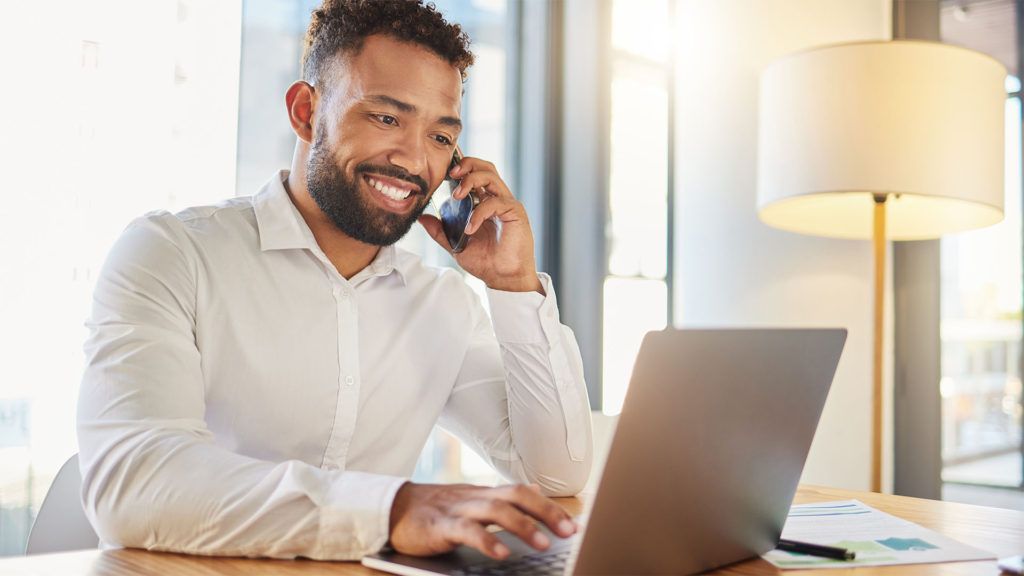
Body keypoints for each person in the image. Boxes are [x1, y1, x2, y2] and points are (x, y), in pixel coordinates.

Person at [76, 0, 593, 563]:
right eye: (386, 118)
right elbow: (134, 483)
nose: (414, 160)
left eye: (441, 138)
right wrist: (390, 511)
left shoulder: (441, 304)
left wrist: (513, 284)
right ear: (304, 112)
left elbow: (555, 469)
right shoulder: (172, 255)